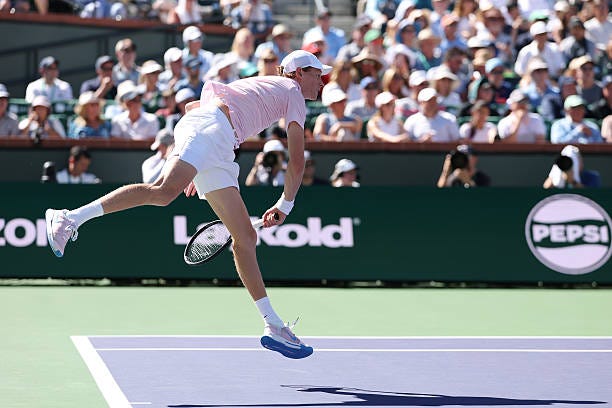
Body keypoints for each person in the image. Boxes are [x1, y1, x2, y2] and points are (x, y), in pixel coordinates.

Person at [44, 49, 330, 360]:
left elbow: (194, 104)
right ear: (299, 73)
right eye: (317, 73)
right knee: (163, 191)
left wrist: (198, 162)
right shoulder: (291, 91)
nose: (322, 79)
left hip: (217, 142)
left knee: (245, 238)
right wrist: (286, 204)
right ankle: (69, 217)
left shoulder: (263, 87)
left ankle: (273, 325)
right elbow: (297, 161)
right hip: (211, 131)